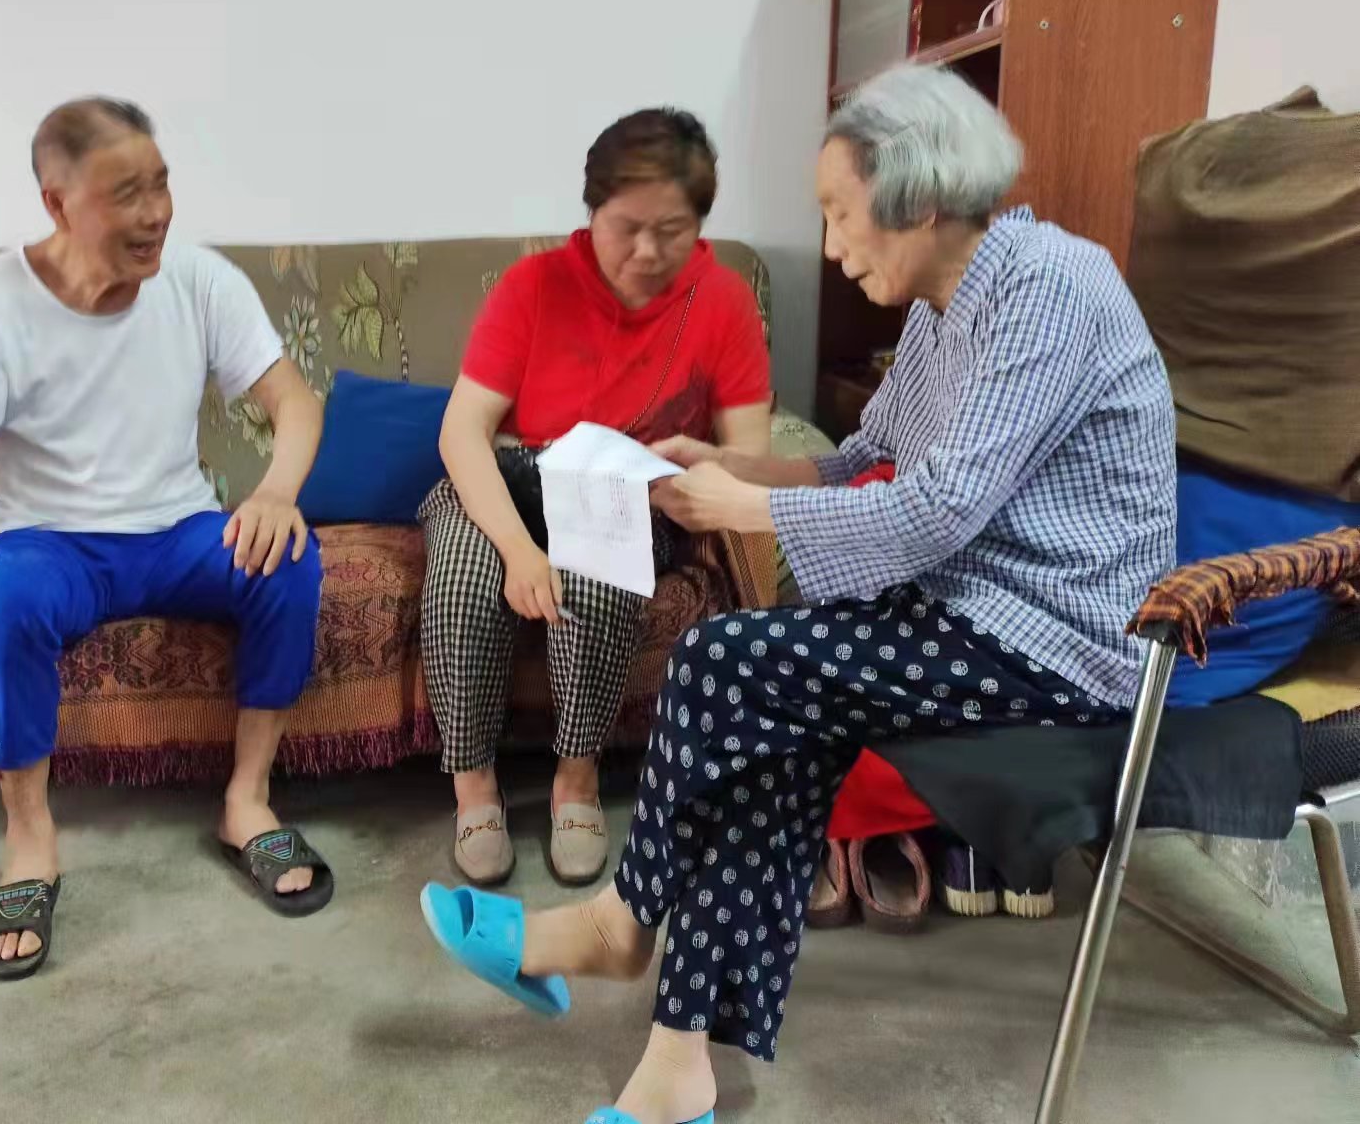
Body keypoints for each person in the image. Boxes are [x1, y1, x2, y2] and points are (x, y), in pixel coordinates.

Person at [419, 64, 1177, 1124]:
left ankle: (621, 930)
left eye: (840, 212)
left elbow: (938, 509)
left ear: (918, 196)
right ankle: (677, 1060)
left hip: (1059, 640)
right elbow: (859, 460)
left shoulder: (1051, 287)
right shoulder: (943, 309)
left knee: (727, 663)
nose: (829, 245)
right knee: (761, 716)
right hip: (967, 612)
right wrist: (731, 467)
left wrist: (743, 507)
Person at [0, 97, 331, 981]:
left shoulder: (201, 281)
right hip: (49, 542)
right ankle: (30, 842)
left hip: (176, 528)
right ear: (57, 203)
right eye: (127, 194)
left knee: (289, 559)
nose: (156, 213)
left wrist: (274, 492)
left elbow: (294, 400)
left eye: (162, 184)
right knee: (5, 595)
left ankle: (247, 801)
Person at [421, 108, 772, 887]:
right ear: (591, 213)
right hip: (509, 476)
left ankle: (575, 781)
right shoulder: (533, 285)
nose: (647, 252)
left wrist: (700, 474)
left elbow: (752, 454)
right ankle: (474, 787)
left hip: (624, 491)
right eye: (626, 228)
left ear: (701, 223)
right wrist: (519, 550)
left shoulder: (723, 302)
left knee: (599, 579)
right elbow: (462, 432)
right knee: (464, 581)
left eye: (671, 231)